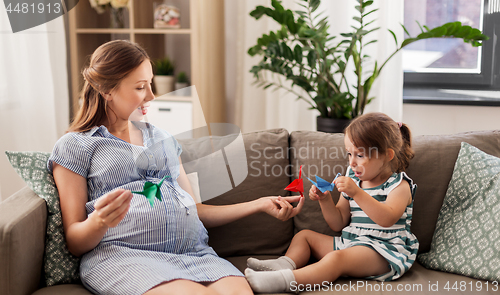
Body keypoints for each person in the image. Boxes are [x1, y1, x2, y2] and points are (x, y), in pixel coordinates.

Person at [48, 40, 304, 295]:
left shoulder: (163, 138)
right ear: (106, 89)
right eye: (140, 87)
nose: (151, 96)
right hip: (125, 256)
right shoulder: (76, 146)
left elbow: (194, 208)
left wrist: (258, 204)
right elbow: (74, 241)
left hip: (194, 254)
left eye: (150, 83)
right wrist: (100, 221)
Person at [245, 112, 419, 293]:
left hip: (384, 251)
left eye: (359, 155)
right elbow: (338, 222)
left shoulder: (399, 185)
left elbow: (387, 218)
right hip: (351, 243)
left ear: (387, 155)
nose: (351, 162)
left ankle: (284, 281)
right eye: (349, 154)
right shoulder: (353, 179)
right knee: (304, 236)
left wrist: (357, 193)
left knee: (336, 259)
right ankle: (282, 265)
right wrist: (326, 200)